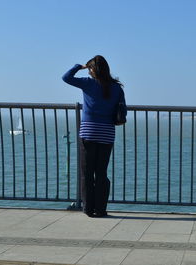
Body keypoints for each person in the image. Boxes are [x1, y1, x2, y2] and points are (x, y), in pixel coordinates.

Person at [62, 55, 126, 217]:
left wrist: (79, 66)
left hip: (88, 133)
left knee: (87, 173)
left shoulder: (88, 83)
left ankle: (88, 209)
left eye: (90, 69)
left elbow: (66, 77)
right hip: (106, 134)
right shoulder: (117, 87)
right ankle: (101, 209)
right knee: (101, 173)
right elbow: (122, 110)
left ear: (92, 69)